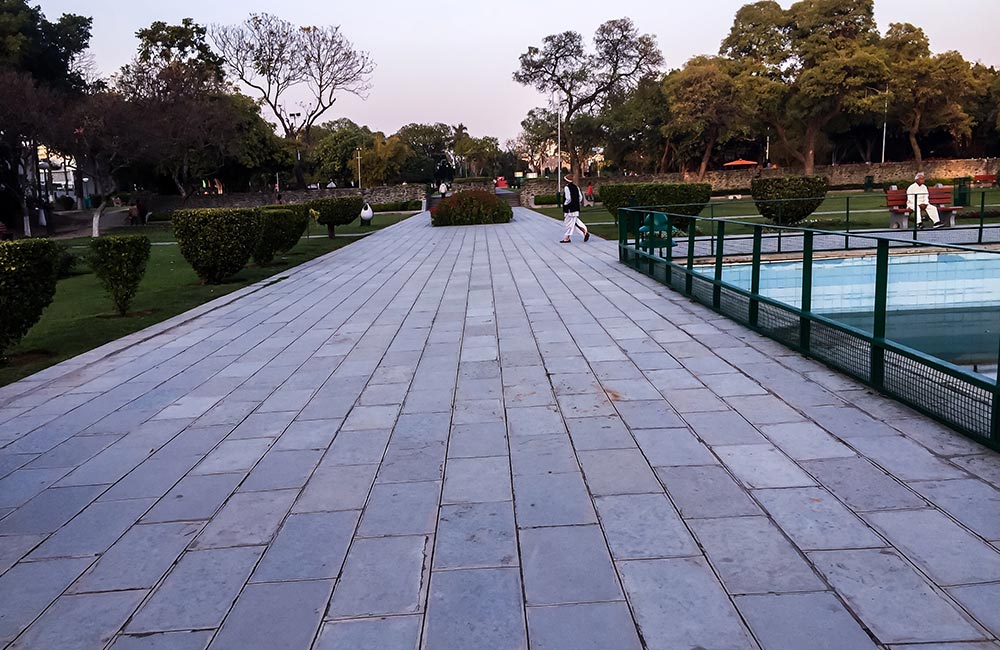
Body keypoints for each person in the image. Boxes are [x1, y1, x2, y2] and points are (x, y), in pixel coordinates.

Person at [559, 174, 589, 243]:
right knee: (574, 222)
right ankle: (569, 237)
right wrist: (576, 203)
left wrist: (565, 204)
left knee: (568, 223)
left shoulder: (567, 188)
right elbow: (580, 197)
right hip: (575, 208)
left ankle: (583, 233)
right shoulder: (576, 187)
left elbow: (568, 198)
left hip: (569, 209)